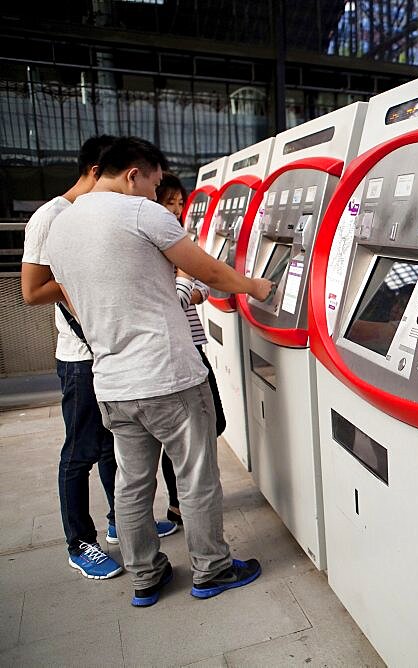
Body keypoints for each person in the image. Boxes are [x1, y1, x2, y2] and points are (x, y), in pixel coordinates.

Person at [46, 136, 273, 608]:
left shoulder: (62, 228)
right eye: (153, 184)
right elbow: (208, 272)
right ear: (134, 174)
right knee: (196, 476)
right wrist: (256, 285)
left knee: (132, 483)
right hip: (168, 376)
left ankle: (145, 576)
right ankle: (212, 569)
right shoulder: (139, 212)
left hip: (111, 379)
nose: (156, 195)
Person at [20, 135, 176, 581]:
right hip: (79, 356)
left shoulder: (90, 214)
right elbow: (31, 291)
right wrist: (86, 281)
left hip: (110, 347)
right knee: (80, 449)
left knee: (113, 445)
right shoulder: (52, 217)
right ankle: (78, 541)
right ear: (97, 171)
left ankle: (116, 521)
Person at [155, 173, 227, 525]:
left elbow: (203, 288)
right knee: (188, 434)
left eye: (181, 203)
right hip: (179, 351)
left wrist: (193, 287)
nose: (178, 210)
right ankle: (182, 503)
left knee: (211, 424)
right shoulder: (160, 247)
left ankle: (181, 501)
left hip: (192, 344)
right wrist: (190, 282)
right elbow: (184, 295)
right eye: (171, 203)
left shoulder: (177, 243)